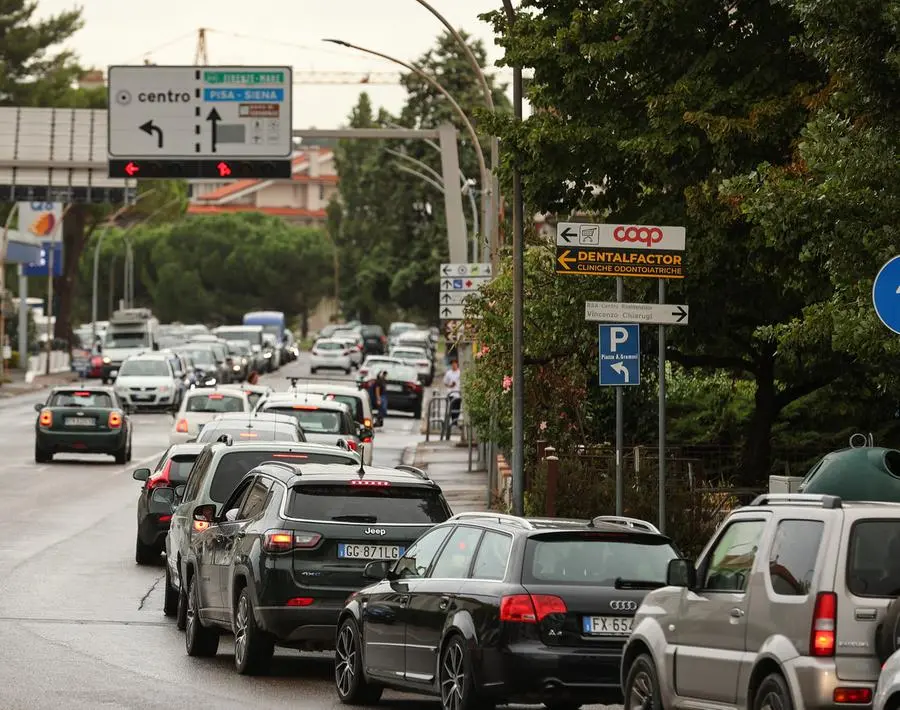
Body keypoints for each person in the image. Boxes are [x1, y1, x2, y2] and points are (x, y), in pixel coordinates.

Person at [444, 359, 461, 426]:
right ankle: (453, 421)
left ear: (457, 364)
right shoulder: (449, 373)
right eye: (452, 364)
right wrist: (450, 385)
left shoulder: (459, 372)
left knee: (457, 408)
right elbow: (445, 382)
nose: (454, 365)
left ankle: (455, 421)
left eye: (455, 364)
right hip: (451, 393)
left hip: (458, 393)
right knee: (452, 407)